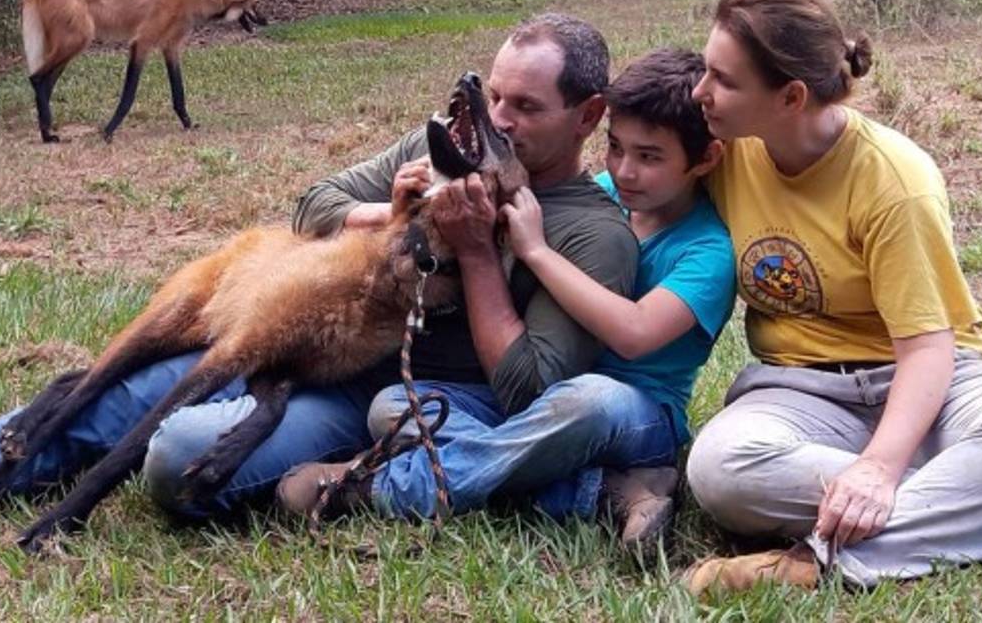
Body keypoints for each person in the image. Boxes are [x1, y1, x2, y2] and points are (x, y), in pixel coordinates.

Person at [0, 13, 640, 536]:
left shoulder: (590, 235)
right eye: (495, 99)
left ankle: (350, 477)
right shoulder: (444, 153)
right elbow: (313, 206)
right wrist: (385, 208)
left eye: (527, 107)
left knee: (178, 453)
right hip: (306, 338)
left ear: (589, 115)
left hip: (383, 404)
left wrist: (480, 254)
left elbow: (526, 391)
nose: (500, 120)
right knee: (122, 394)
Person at [680, 0, 982, 594]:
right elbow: (633, 177)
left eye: (723, 80)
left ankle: (813, 565)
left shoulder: (894, 180)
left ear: (790, 96)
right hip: (801, 390)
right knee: (719, 469)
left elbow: (927, 349)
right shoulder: (722, 151)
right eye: (707, 70)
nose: (701, 92)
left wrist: (883, 469)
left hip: (930, 381)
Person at [281, 48, 736, 554]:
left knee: (586, 400)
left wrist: (537, 252)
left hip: (635, 415)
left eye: (649, 157)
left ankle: (374, 487)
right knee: (393, 406)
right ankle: (602, 492)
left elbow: (632, 335)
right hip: (538, 408)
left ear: (706, 159)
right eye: (615, 148)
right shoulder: (603, 194)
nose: (625, 170)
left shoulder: (708, 251)